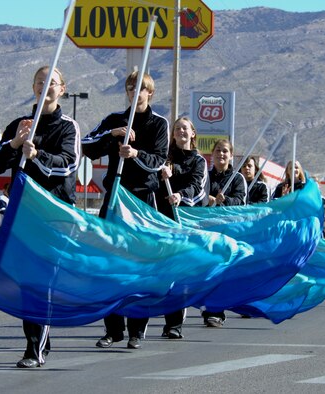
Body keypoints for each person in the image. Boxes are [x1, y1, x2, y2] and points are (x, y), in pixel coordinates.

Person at [0, 66, 81, 368]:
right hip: (22, 213)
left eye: (51, 83)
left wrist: (37, 155)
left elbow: (68, 165)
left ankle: (34, 348)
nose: (45, 87)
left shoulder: (69, 127)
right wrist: (14, 145)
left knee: (43, 281)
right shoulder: (19, 124)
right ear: (33, 87)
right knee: (27, 281)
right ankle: (39, 341)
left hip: (54, 215)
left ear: (62, 89)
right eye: (40, 82)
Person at [82, 71, 169, 349]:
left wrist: (136, 154)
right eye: (131, 87)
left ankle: (136, 329)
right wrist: (112, 136)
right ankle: (113, 329)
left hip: (142, 201)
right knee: (110, 262)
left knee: (139, 264)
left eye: (141, 88)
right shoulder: (113, 121)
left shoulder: (159, 124)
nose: (135, 92)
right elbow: (87, 147)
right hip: (115, 197)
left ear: (150, 92)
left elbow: (157, 161)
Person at [156, 116, 209, 338]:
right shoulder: (163, 158)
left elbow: (198, 187)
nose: (181, 131)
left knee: (179, 273)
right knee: (163, 273)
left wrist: (180, 195)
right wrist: (162, 175)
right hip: (161, 220)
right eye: (177, 128)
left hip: (184, 222)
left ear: (193, 133)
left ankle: (174, 324)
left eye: (185, 128)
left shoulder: (199, 161)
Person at [202, 139, 247, 327]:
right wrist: (209, 200)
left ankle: (216, 311)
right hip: (207, 231)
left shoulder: (237, 178)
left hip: (229, 233)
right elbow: (199, 196)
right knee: (208, 271)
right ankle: (210, 307)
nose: (221, 154)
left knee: (222, 272)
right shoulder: (206, 176)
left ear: (231, 155)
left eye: (225, 151)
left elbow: (241, 202)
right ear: (212, 154)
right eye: (218, 151)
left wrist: (225, 200)